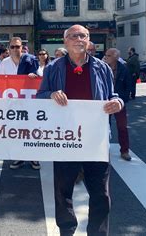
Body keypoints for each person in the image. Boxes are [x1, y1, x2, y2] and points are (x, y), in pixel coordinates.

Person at [37, 24, 123, 236]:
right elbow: (39, 97)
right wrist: (50, 95)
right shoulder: (53, 68)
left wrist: (117, 102)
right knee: (63, 190)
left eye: (83, 35)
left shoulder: (102, 68)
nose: (78, 39)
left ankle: (97, 232)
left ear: (88, 40)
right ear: (65, 41)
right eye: (74, 35)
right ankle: (66, 230)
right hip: (65, 137)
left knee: (100, 193)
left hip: (95, 138)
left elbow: (113, 95)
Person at [0, 37, 40, 170]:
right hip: (13, 103)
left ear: (22, 47)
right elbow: (0, 81)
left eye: (18, 46)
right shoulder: (4, 62)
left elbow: (40, 74)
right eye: (13, 47)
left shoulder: (30, 60)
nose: (15, 49)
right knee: (16, 130)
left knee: (32, 130)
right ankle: (19, 157)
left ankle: (34, 158)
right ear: (9, 48)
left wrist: (35, 75)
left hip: (29, 102)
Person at [103, 48, 132, 161]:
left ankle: (125, 151)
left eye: (109, 55)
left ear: (115, 57)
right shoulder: (102, 68)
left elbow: (128, 86)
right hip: (105, 102)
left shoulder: (123, 69)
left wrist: (121, 101)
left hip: (118, 102)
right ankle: (103, 150)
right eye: (106, 55)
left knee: (122, 127)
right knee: (104, 127)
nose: (106, 57)